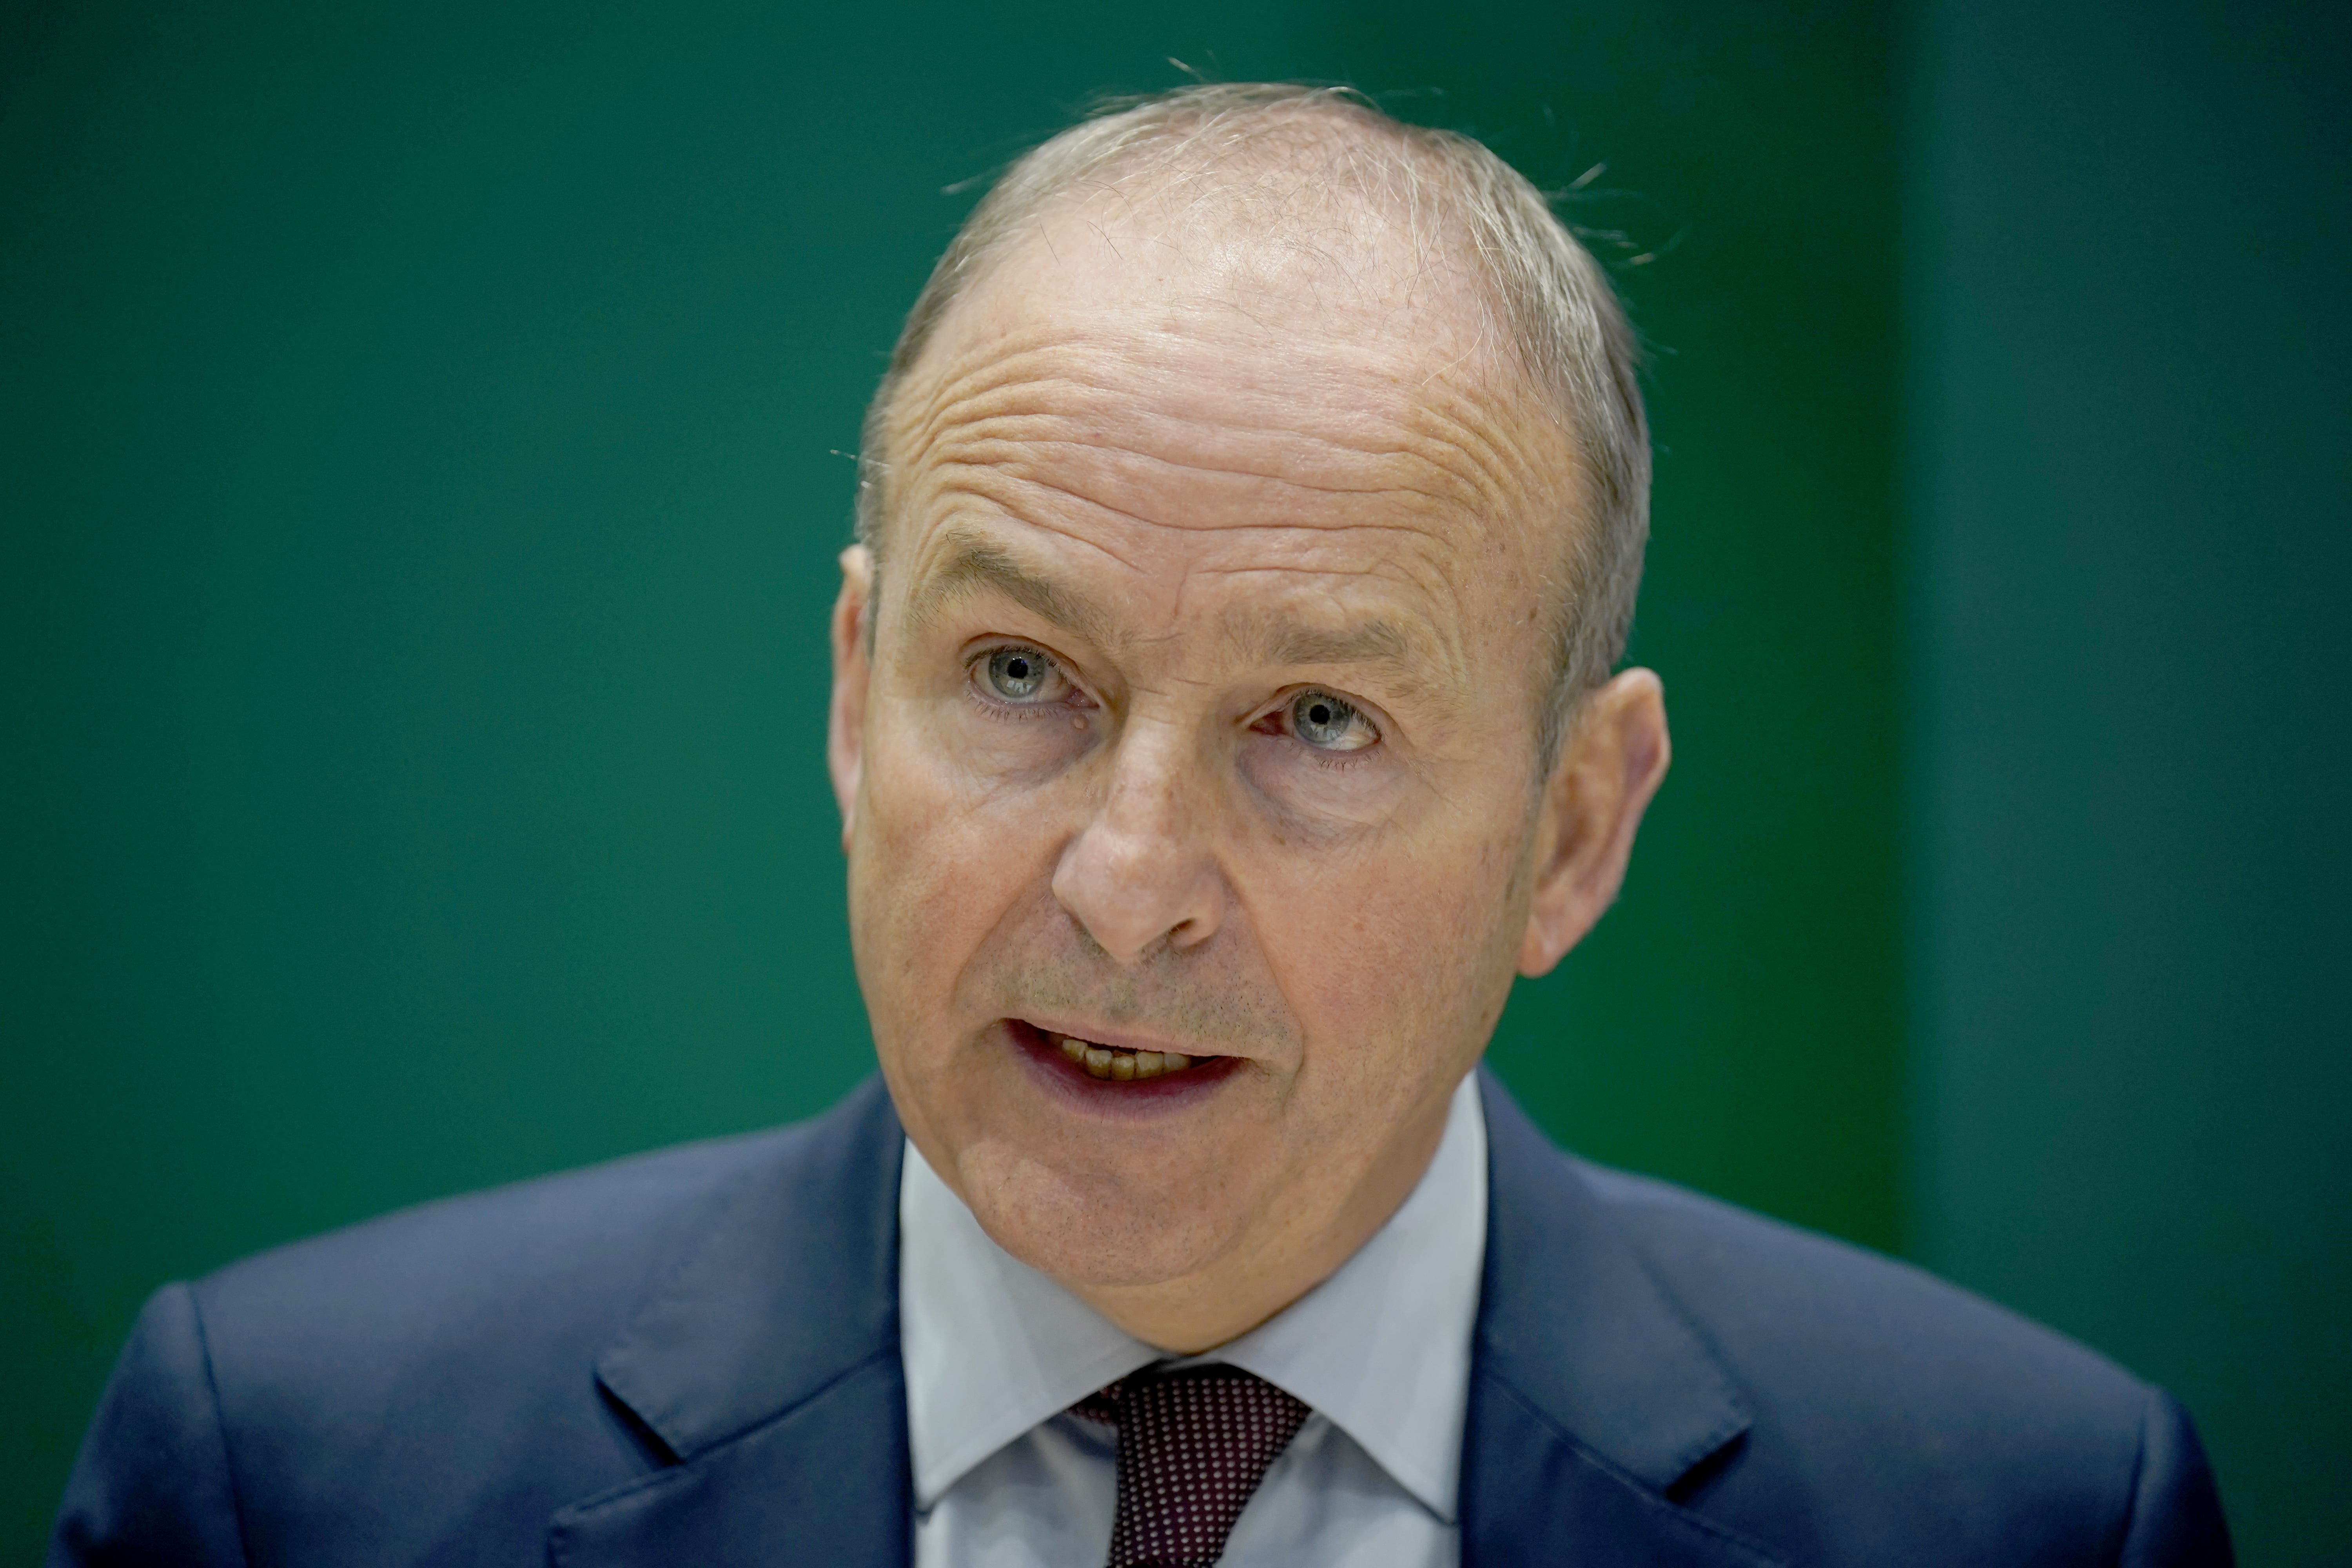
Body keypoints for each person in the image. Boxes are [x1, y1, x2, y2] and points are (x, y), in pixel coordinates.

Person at [50, 83, 2230, 1567]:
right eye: (1020, 679)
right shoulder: (289, 1471)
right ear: (851, 696)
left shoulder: (2032, 1512)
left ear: (1575, 831)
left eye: (1316, 719)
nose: (1125, 886)